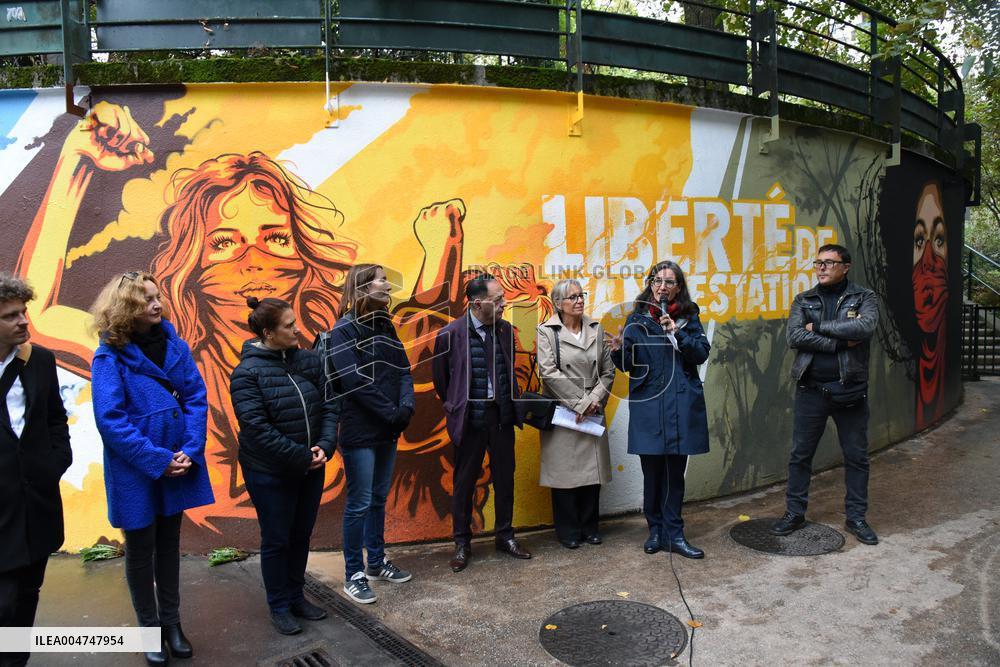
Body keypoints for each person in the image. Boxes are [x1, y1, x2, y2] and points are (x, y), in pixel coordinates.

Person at [90, 271, 214, 666]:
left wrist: (190, 450)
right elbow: (110, 419)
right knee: (141, 550)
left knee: (169, 547)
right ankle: (149, 629)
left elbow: (196, 395)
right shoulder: (109, 355)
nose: (157, 305)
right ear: (127, 307)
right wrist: (157, 459)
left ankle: (172, 624)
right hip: (136, 470)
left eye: (157, 297)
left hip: (179, 460)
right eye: (146, 300)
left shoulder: (175, 345)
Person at [229, 297, 338, 635]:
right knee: (277, 539)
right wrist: (303, 456)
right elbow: (257, 429)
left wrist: (324, 445)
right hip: (270, 472)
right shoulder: (247, 374)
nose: (297, 329)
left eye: (295, 322)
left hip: (311, 465)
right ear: (268, 333)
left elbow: (330, 403)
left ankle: (296, 597)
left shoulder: (309, 360)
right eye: (289, 325)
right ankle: (279, 606)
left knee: (301, 534)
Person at [772, 244, 880, 545]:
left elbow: (865, 327)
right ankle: (794, 513)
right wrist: (839, 343)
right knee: (800, 455)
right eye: (818, 262)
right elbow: (795, 336)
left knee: (857, 457)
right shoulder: (804, 299)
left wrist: (817, 326)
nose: (821, 268)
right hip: (811, 390)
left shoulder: (864, 298)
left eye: (829, 263)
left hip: (850, 391)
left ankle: (856, 517)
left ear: (845, 267)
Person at [606, 261, 711, 559]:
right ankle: (655, 531)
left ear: (679, 287)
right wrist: (618, 352)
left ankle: (675, 534)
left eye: (669, 281)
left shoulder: (689, 317)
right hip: (650, 405)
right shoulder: (636, 319)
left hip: (680, 405)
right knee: (651, 474)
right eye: (657, 280)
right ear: (650, 284)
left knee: (674, 475)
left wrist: (676, 332)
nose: (662, 286)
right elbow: (629, 366)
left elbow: (700, 353)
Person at [325, 264, 415, 604]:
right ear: (362, 287)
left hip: (389, 427)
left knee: (378, 498)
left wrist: (405, 406)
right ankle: (354, 574)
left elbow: (403, 369)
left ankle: (376, 562)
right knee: (360, 502)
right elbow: (354, 381)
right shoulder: (344, 330)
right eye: (380, 279)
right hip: (361, 431)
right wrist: (392, 412)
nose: (387, 283)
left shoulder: (385, 325)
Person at [432, 274, 531, 572]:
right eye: (498, 299)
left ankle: (505, 536)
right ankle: (462, 544)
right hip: (470, 419)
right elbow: (442, 381)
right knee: (464, 483)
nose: (504, 304)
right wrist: (456, 406)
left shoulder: (504, 331)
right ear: (478, 304)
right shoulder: (450, 335)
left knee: (505, 478)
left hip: (500, 417)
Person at [0, 274, 72, 667]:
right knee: (4, 600)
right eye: (11, 316)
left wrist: (56, 461)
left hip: (37, 502)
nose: (24, 321)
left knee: (28, 592)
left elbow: (55, 418)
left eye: (24, 312)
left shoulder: (39, 359)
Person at [536, 279, 615, 548]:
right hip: (565, 413)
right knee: (565, 476)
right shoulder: (547, 332)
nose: (579, 300)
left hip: (593, 411)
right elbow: (548, 372)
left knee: (591, 476)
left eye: (581, 295)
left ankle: (590, 527)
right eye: (572, 297)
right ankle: (568, 531)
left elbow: (608, 370)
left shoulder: (596, 328)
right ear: (558, 304)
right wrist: (580, 403)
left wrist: (594, 400)